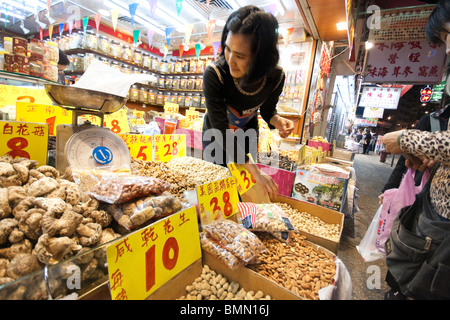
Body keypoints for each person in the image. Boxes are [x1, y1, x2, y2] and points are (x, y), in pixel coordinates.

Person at [381, 0, 450, 300]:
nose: (447, 48)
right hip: (435, 212)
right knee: (414, 275)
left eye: (448, 35)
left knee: (425, 284)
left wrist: (406, 140)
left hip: (443, 224)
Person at [202, 5, 294, 199]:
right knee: (218, 188)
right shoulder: (215, 74)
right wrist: (256, 171)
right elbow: (220, 129)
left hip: (247, 135)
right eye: (228, 49)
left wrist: (278, 121)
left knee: (245, 191)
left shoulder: (276, 76)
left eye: (241, 56)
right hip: (216, 136)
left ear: (260, 59)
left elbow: (268, 112)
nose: (230, 60)